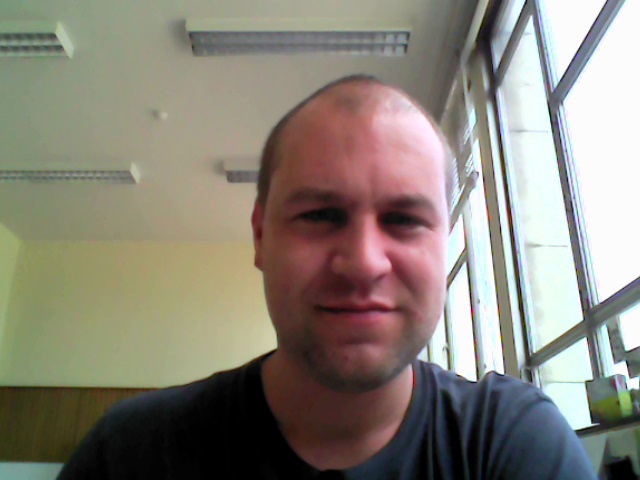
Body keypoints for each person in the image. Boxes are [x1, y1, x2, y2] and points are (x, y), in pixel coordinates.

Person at [57, 75, 596, 479]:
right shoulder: (129, 454)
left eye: (404, 220)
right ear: (261, 236)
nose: (363, 262)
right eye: (320, 215)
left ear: (445, 244)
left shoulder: (512, 442)